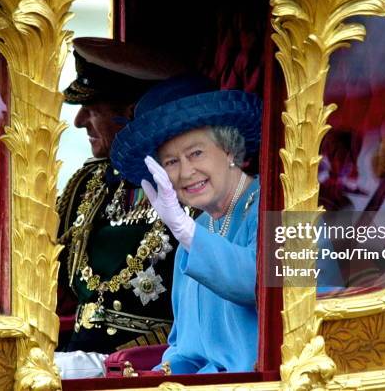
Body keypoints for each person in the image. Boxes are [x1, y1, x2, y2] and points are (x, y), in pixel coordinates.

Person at [0, 38, 186, 377]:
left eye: (91, 108)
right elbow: (21, 255)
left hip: (153, 367)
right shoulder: (90, 184)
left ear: (132, 113)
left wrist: (108, 366)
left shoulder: (192, 186)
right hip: (74, 358)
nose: (79, 121)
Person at [110, 75, 342, 374]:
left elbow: (259, 285)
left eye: (196, 153)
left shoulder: (287, 208)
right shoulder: (197, 231)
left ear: (230, 150)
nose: (186, 172)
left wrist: (185, 231)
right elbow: (185, 350)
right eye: (171, 162)